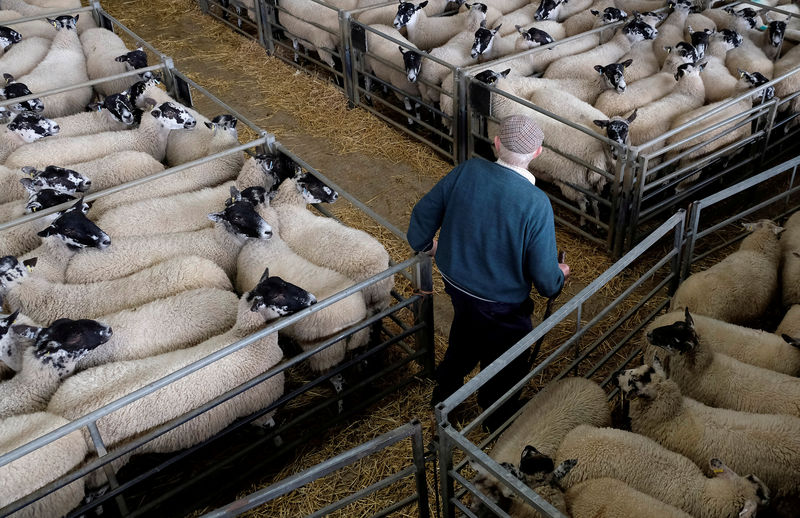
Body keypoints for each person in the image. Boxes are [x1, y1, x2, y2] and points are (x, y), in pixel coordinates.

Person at [407, 114, 569, 431]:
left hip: (457, 284)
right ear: (538, 153)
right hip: (501, 302)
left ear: (495, 143)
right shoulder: (536, 203)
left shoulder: (468, 170)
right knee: (507, 357)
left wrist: (428, 246)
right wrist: (558, 275)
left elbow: (424, 214)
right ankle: (494, 414)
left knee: (466, 333)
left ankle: (445, 395)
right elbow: (545, 279)